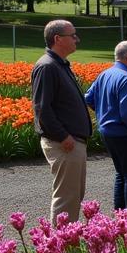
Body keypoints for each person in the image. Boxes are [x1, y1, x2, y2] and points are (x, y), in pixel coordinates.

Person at [31, 20, 93, 224]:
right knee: (66, 198)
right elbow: (42, 108)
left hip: (71, 141)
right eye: (72, 35)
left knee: (74, 196)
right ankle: (60, 248)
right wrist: (63, 136)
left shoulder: (59, 65)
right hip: (64, 143)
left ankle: (68, 244)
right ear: (57, 39)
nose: (77, 39)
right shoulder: (47, 67)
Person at [84, 41, 127, 211]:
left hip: (108, 131)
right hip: (124, 133)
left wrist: (104, 112)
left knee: (121, 174)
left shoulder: (105, 74)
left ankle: (120, 215)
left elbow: (88, 98)